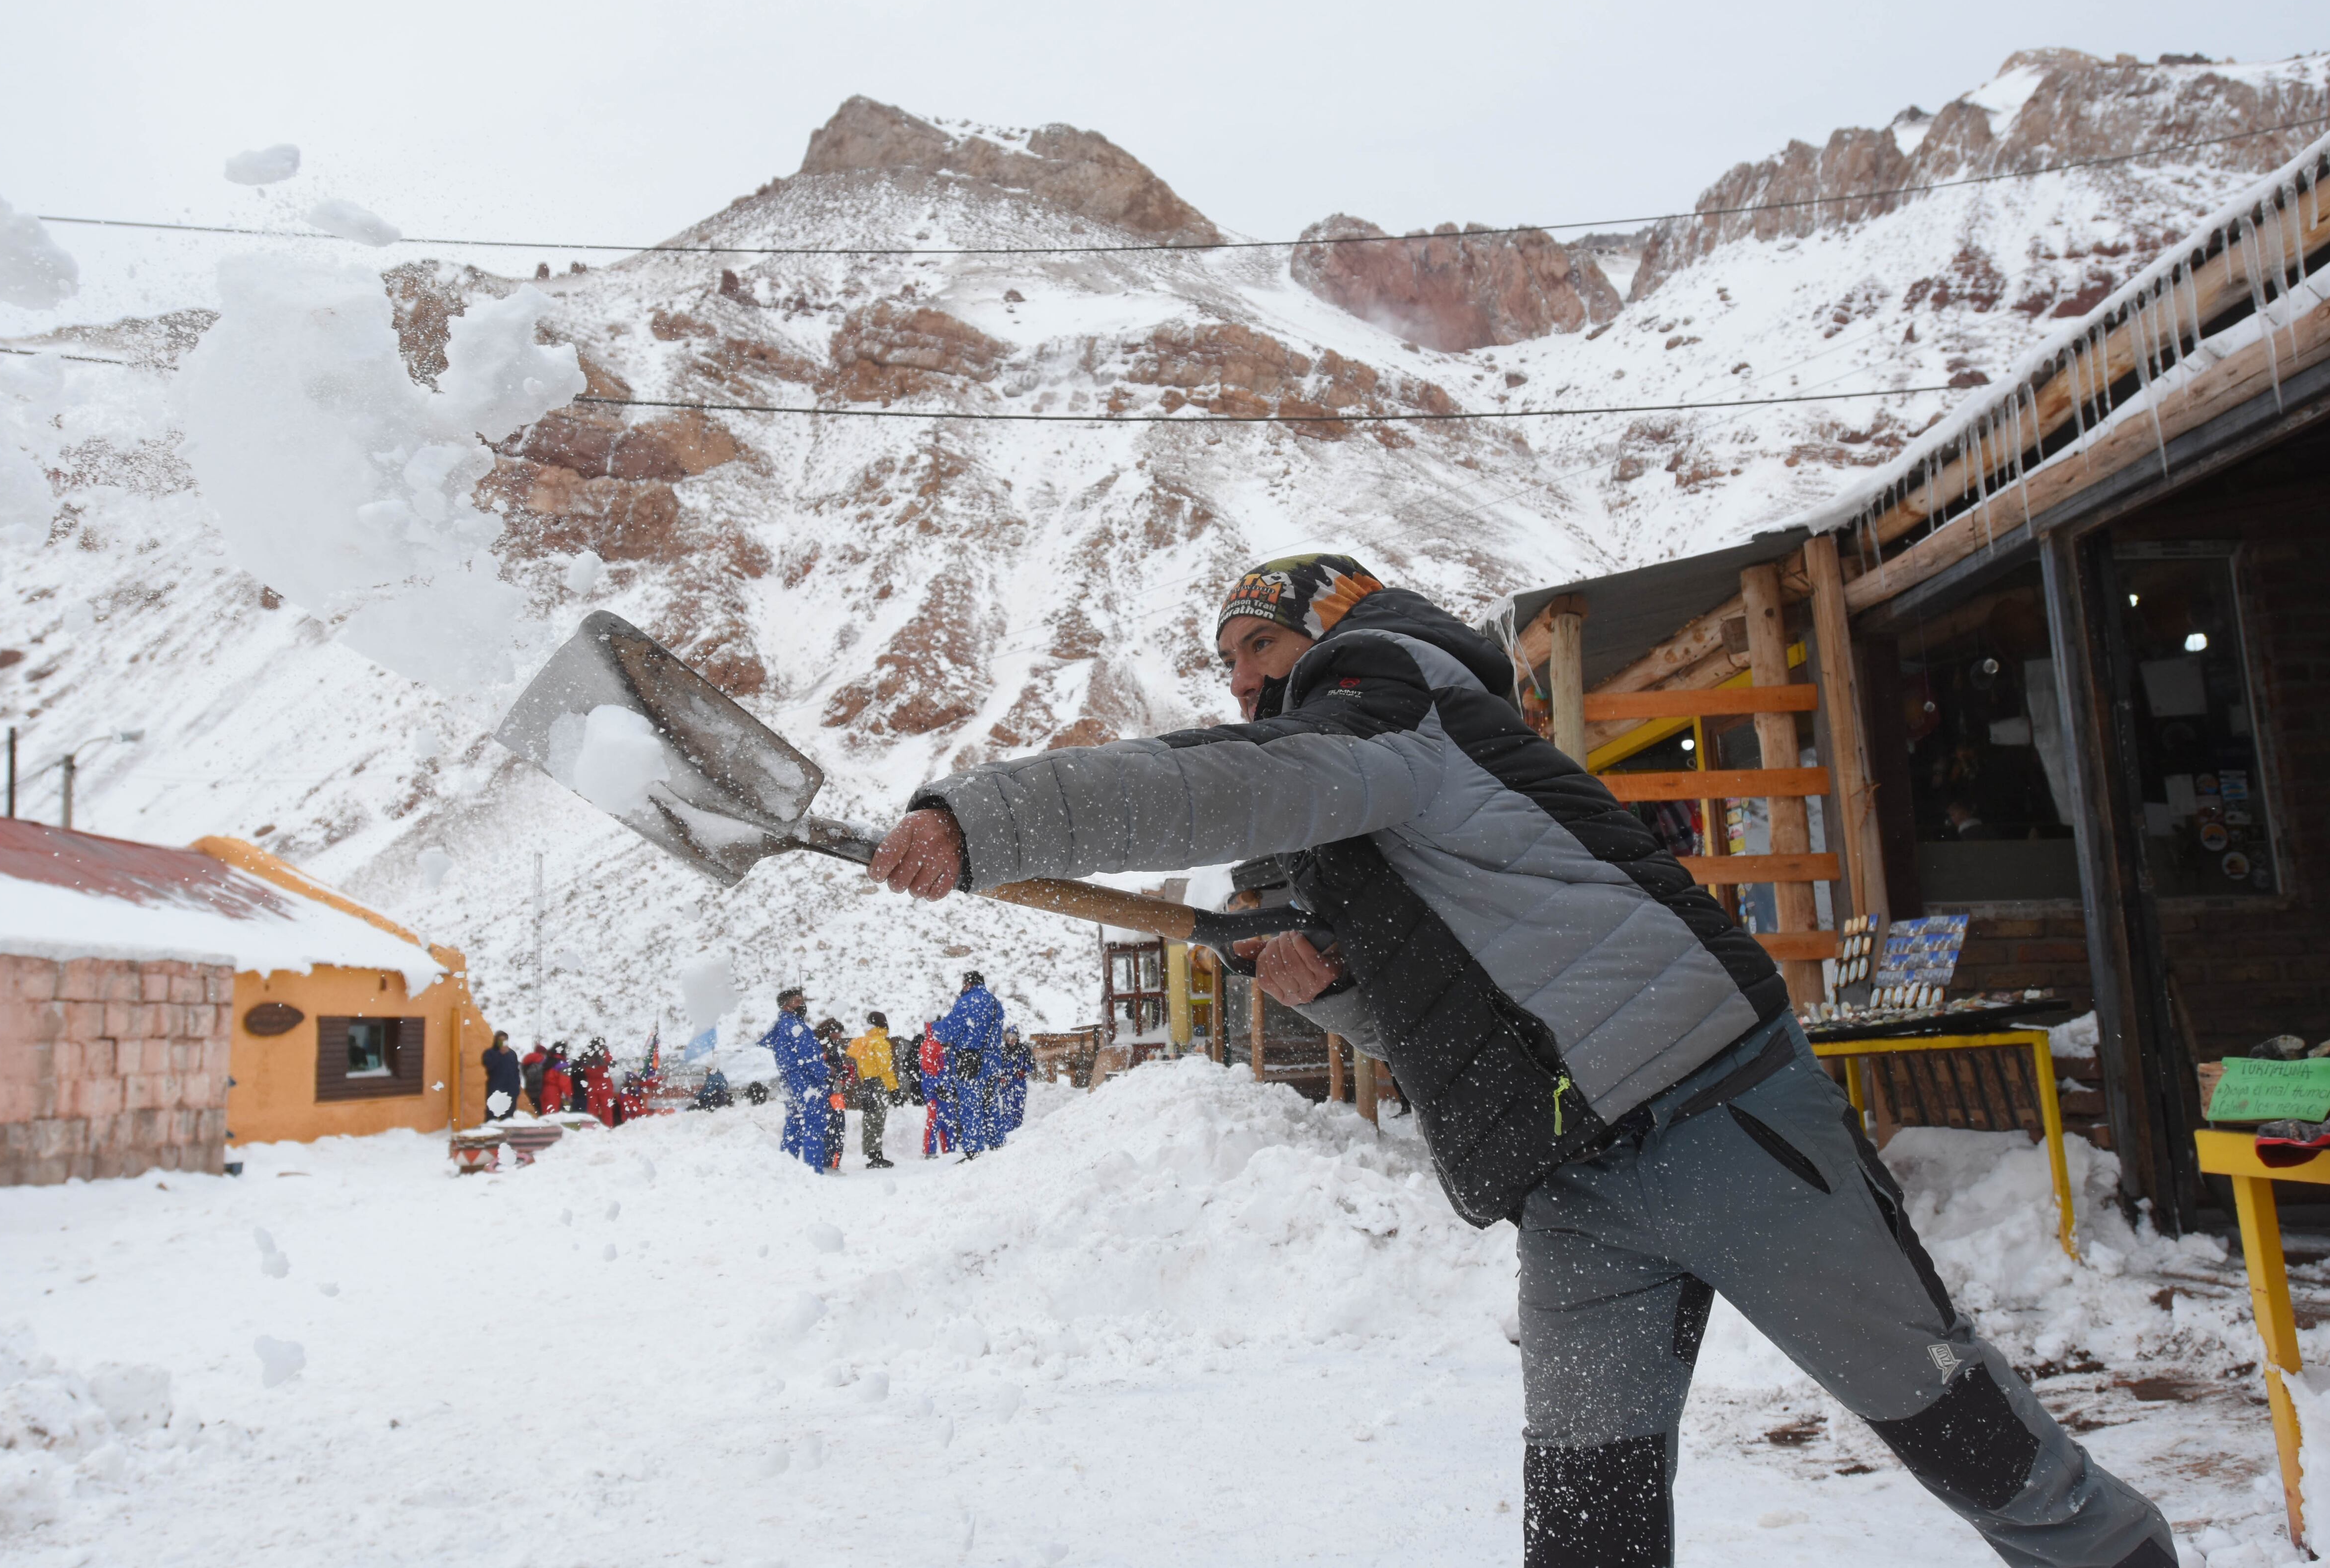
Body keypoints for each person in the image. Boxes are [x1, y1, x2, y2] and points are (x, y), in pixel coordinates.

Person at [867, 552, 2175, 1568]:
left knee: (1958, 1431)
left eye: (1257, 643)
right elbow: (1439, 1033)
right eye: (1223, 661)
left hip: (1717, 1105)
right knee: (1586, 1513)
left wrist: (991, 817)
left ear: (1331, 625)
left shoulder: (1392, 696)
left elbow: (1234, 778)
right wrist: (1318, 983)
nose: (1240, 680)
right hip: (1573, 1177)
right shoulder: (1364, 821)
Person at [933, 972, 1006, 1157]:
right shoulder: (996, 1004)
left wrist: (937, 1026)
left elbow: (946, 1033)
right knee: (991, 1105)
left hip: (970, 1061)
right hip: (992, 1060)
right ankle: (997, 1144)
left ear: (968, 984)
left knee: (971, 1106)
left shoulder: (966, 1003)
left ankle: (974, 1150)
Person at [759, 990, 831, 1173]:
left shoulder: (779, 1027)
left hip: (788, 1079)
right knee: (814, 1122)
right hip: (804, 1079)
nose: (802, 1005)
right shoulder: (795, 1026)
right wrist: (825, 1072)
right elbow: (810, 1055)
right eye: (798, 1002)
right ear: (786, 1006)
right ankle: (814, 1170)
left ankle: (787, 1167)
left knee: (795, 1122)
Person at [847, 1012, 901, 1169]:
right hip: (880, 1084)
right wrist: (894, 1089)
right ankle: (877, 1157)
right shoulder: (881, 1043)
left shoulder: (864, 1042)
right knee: (878, 1121)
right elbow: (886, 1069)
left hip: (868, 1085)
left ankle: (870, 1155)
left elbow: (860, 1070)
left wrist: (866, 1084)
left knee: (869, 1121)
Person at [813, 1019, 853, 1171]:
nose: (840, 1035)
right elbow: (825, 1070)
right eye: (838, 1032)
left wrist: (842, 1071)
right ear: (830, 1032)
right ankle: (829, 1163)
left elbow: (833, 1068)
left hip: (834, 1093)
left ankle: (832, 1162)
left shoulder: (829, 1046)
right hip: (828, 1094)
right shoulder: (822, 1047)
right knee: (835, 1128)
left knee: (836, 1128)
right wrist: (837, 1071)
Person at [917, 1021, 954, 1159]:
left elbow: (943, 1070)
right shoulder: (930, 1046)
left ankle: (949, 1150)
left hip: (943, 1089)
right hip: (935, 1092)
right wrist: (938, 1086)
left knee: (947, 1121)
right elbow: (928, 1071)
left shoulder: (939, 1046)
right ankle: (930, 1151)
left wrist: (947, 1086)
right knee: (935, 1120)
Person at [996, 1027, 1032, 1139]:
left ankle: (1018, 1134)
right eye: (1008, 1038)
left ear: (1017, 1038)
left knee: (1019, 1109)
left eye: (1013, 1038)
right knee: (1008, 1109)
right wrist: (1001, 1078)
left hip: (1020, 1084)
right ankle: (1006, 1133)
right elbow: (997, 1069)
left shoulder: (1024, 1050)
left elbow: (1031, 1066)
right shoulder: (1002, 1052)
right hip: (1007, 1085)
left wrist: (1024, 1070)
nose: (1011, 1040)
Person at [480, 1031, 522, 1122]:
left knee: (508, 1120)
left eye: (505, 1040)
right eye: (500, 1040)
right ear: (496, 1041)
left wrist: (517, 1088)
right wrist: (500, 1054)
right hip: (495, 1092)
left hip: (511, 1092)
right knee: (492, 1119)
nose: (503, 1043)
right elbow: (489, 1066)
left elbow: (516, 1071)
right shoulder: (490, 1053)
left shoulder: (512, 1054)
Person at [540, 1040, 572, 1114]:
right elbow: (565, 1083)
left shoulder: (545, 1061)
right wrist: (569, 1095)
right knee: (552, 1115)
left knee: (544, 1114)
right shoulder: (563, 1065)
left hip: (542, 1090)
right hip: (554, 1092)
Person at [520, 1038, 549, 1114]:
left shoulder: (528, 1060)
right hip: (537, 1091)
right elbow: (534, 1075)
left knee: (532, 1109)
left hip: (529, 1089)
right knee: (538, 1111)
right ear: (542, 1053)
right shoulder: (539, 1061)